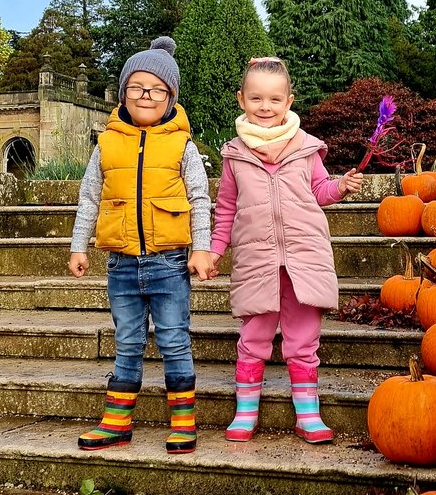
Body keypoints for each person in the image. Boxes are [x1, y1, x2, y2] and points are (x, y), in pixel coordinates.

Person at [189, 56, 363, 444]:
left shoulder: (306, 148)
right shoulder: (235, 154)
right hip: (256, 260)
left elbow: (319, 191)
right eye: (256, 99)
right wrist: (215, 251)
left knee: (303, 339)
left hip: (304, 257)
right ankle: (245, 411)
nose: (265, 107)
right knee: (254, 336)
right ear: (241, 99)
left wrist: (340, 186)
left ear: (289, 100)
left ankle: (308, 414)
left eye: (274, 99)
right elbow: (227, 209)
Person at [68, 36, 210, 454]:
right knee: (127, 339)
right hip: (121, 264)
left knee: (173, 339)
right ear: (123, 92)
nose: (145, 96)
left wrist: (201, 248)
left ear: (171, 97)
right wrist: (80, 244)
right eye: (136, 87)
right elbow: (90, 196)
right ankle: (116, 422)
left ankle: (183, 422)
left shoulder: (182, 145)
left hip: (170, 263)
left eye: (156, 89)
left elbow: (200, 198)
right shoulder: (106, 143)